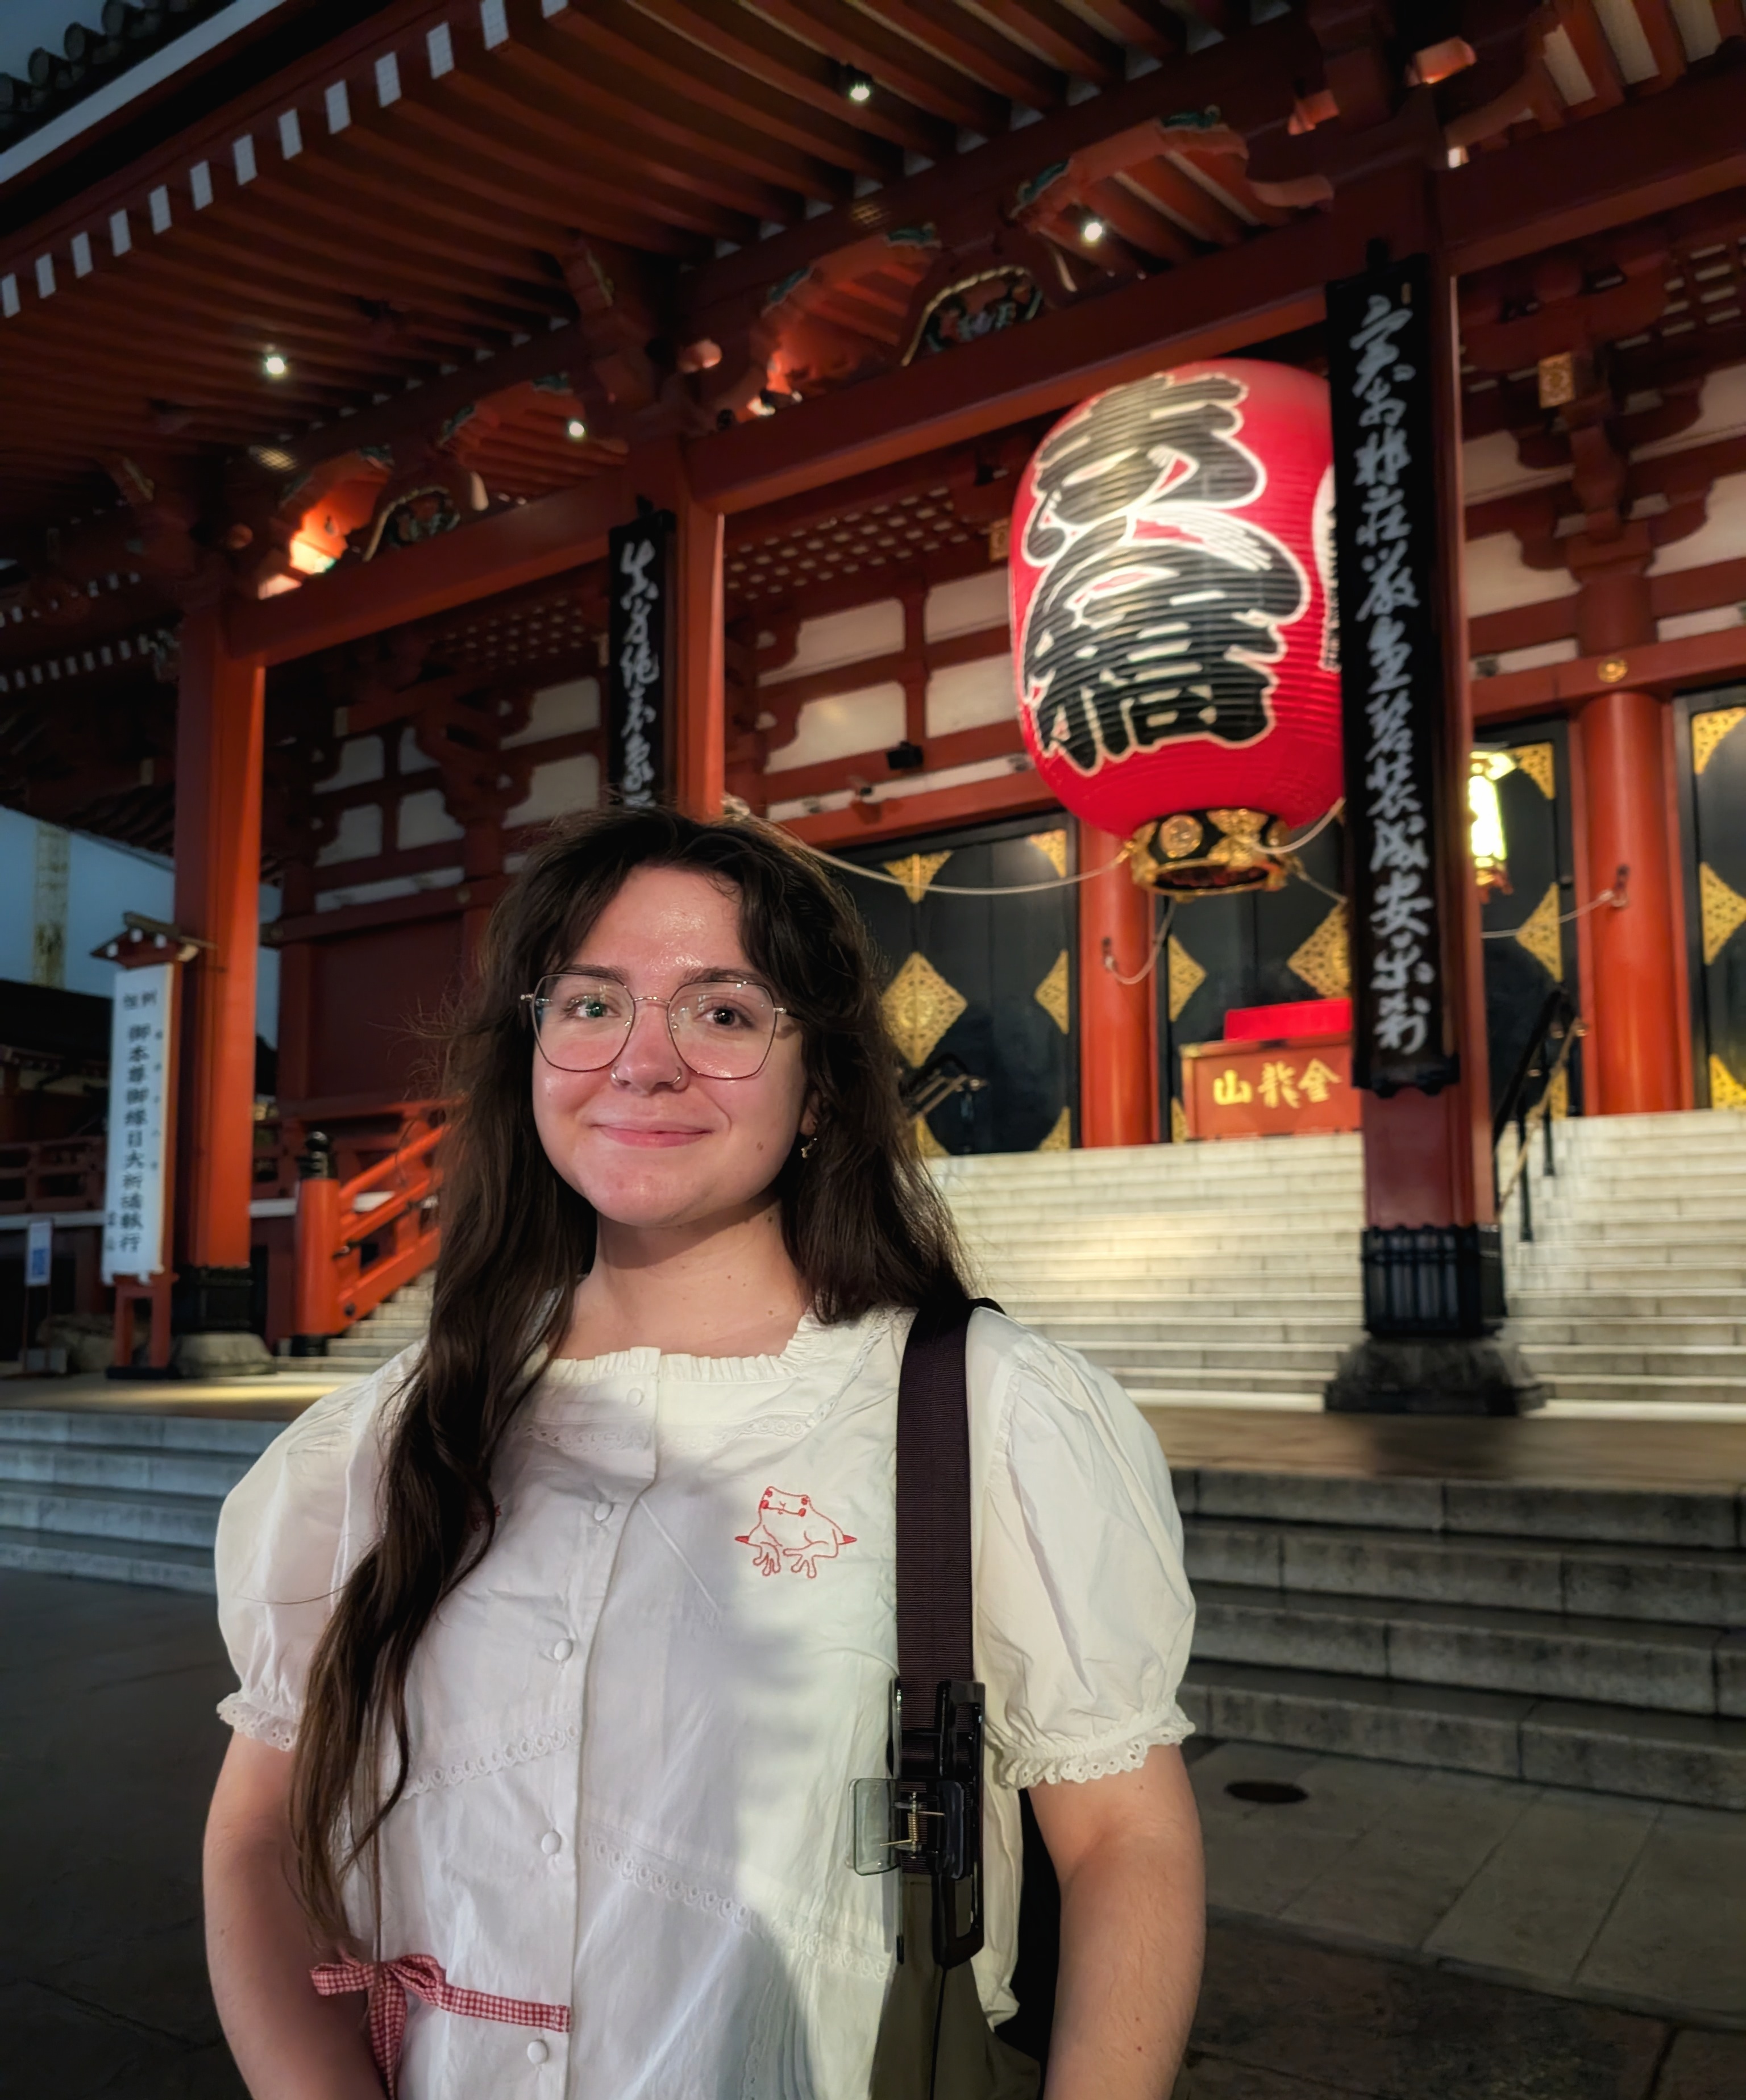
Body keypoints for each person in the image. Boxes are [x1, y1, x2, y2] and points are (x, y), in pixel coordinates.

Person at [203, 807, 1204, 2100]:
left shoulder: (985, 1410)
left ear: (820, 1084)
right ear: (530, 1054)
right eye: (590, 1005)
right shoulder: (392, 1431)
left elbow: (1123, 1838)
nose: (644, 1063)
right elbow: (259, 1829)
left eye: (724, 1013)